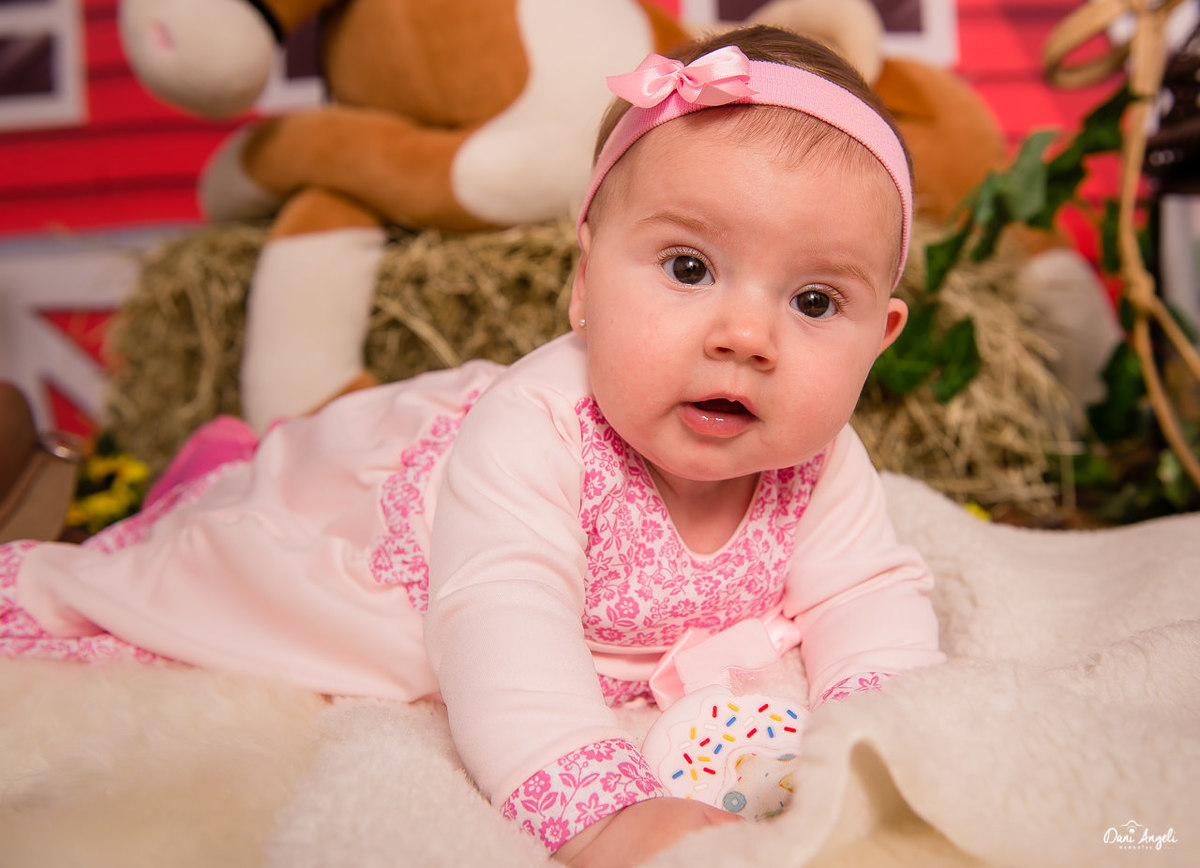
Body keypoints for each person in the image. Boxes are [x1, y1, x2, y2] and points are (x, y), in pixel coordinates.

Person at [0, 25, 945, 866]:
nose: (745, 336)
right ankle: (224, 467)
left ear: (881, 336)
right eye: (689, 268)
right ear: (585, 284)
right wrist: (604, 814)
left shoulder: (821, 461)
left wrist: (890, 737)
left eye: (814, 301)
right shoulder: (539, 430)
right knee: (237, 548)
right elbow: (503, 626)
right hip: (420, 524)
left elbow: (864, 596)